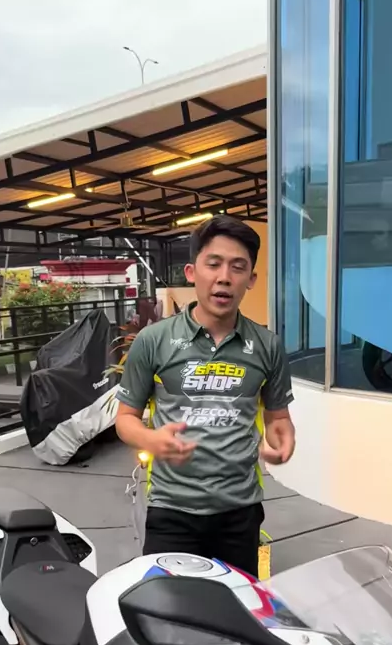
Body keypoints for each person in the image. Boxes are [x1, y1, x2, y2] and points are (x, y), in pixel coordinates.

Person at [115, 215, 295, 576]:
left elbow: (278, 417)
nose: (224, 277)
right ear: (192, 272)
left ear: (251, 280)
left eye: (237, 267)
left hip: (240, 511)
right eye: (213, 264)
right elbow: (125, 418)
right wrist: (151, 439)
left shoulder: (268, 345)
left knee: (236, 602)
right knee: (170, 604)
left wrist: (283, 437)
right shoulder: (153, 341)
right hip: (172, 510)